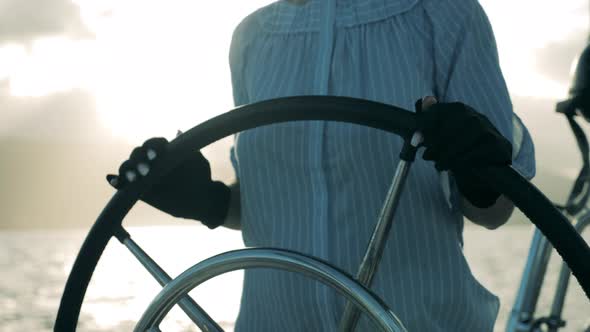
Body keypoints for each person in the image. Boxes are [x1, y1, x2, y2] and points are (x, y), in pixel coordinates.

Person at [107, 0, 535, 330]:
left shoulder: (446, 16)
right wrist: (211, 203)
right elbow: (272, 203)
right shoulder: (250, 38)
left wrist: (481, 175)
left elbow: (494, 211)